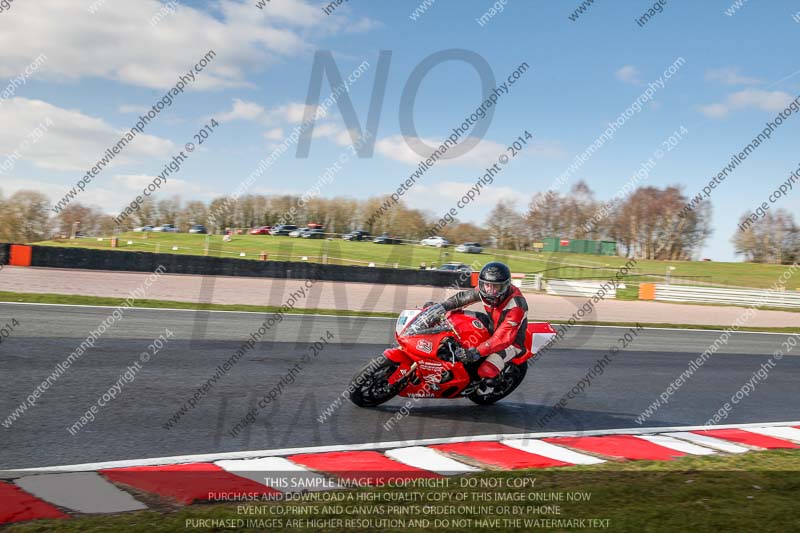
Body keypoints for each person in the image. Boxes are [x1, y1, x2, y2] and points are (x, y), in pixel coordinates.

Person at [438, 262, 528, 394]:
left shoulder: (516, 306)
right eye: (487, 285)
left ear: (505, 286)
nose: (490, 291)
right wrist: (441, 307)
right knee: (454, 316)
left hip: (511, 342)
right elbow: (462, 299)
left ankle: (490, 385)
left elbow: (501, 339)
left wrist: (475, 353)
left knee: (486, 371)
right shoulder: (484, 290)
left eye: (496, 287)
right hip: (492, 324)